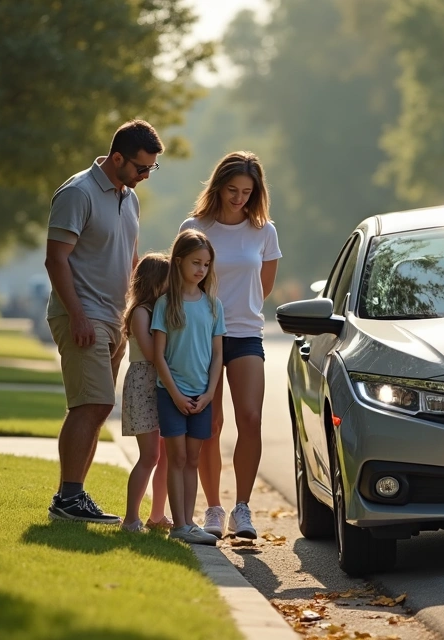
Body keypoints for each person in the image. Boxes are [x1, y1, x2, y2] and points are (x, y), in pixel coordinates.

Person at [44, 119, 163, 523]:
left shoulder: (128, 198)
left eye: (151, 169)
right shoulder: (78, 193)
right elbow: (55, 258)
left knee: (95, 407)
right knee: (91, 404)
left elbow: (128, 259)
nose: (145, 176)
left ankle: (73, 496)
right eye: (140, 167)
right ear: (117, 158)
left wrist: (134, 311)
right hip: (82, 315)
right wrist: (77, 315)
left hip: (113, 317)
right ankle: (68, 498)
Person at [179, 151, 280, 540]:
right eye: (233, 190)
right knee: (210, 423)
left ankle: (242, 509)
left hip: (245, 333)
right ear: (218, 187)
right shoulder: (196, 226)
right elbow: (186, 278)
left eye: (247, 192)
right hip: (201, 336)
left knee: (250, 418)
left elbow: (264, 287)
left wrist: (241, 308)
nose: (239, 198)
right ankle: (214, 510)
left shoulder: (264, 231)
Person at [151, 229, 226, 545]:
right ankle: (179, 524)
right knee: (177, 458)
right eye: (196, 262)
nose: (201, 270)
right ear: (178, 261)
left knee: (193, 460)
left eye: (207, 264)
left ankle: (188, 522)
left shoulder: (213, 305)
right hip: (171, 394)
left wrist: (209, 393)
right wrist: (177, 395)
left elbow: (218, 354)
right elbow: (158, 355)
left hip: (202, 396)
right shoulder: (166, 304)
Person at [119, 252, 173, 532]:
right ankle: (130, 518)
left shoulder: (159, 311)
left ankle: (157, 515)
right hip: (144, 383)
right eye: (166, 282)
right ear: (153, 282)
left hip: (160, 383)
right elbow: (152, 353)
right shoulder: (140, 312)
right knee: (149, 455)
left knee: (163, 455)